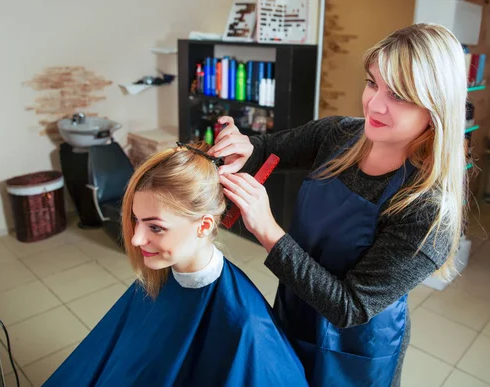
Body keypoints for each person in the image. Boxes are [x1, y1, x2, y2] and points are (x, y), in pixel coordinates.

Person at [209, 23, 467, 387]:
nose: (374, 105)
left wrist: (267, 230)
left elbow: (350, 307)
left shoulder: (427, 211)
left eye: (399, 96)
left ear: (436, 108)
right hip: (295, 309)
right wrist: (245, 146)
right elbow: (268, 149)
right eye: (373, 83)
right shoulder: (340, 134)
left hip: (356, 349)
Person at [44, 142, 309, 386]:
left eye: (156, 227)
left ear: (204, 225)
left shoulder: (244, 325)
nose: (136, 239)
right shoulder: (157, 282)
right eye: (136, 220)